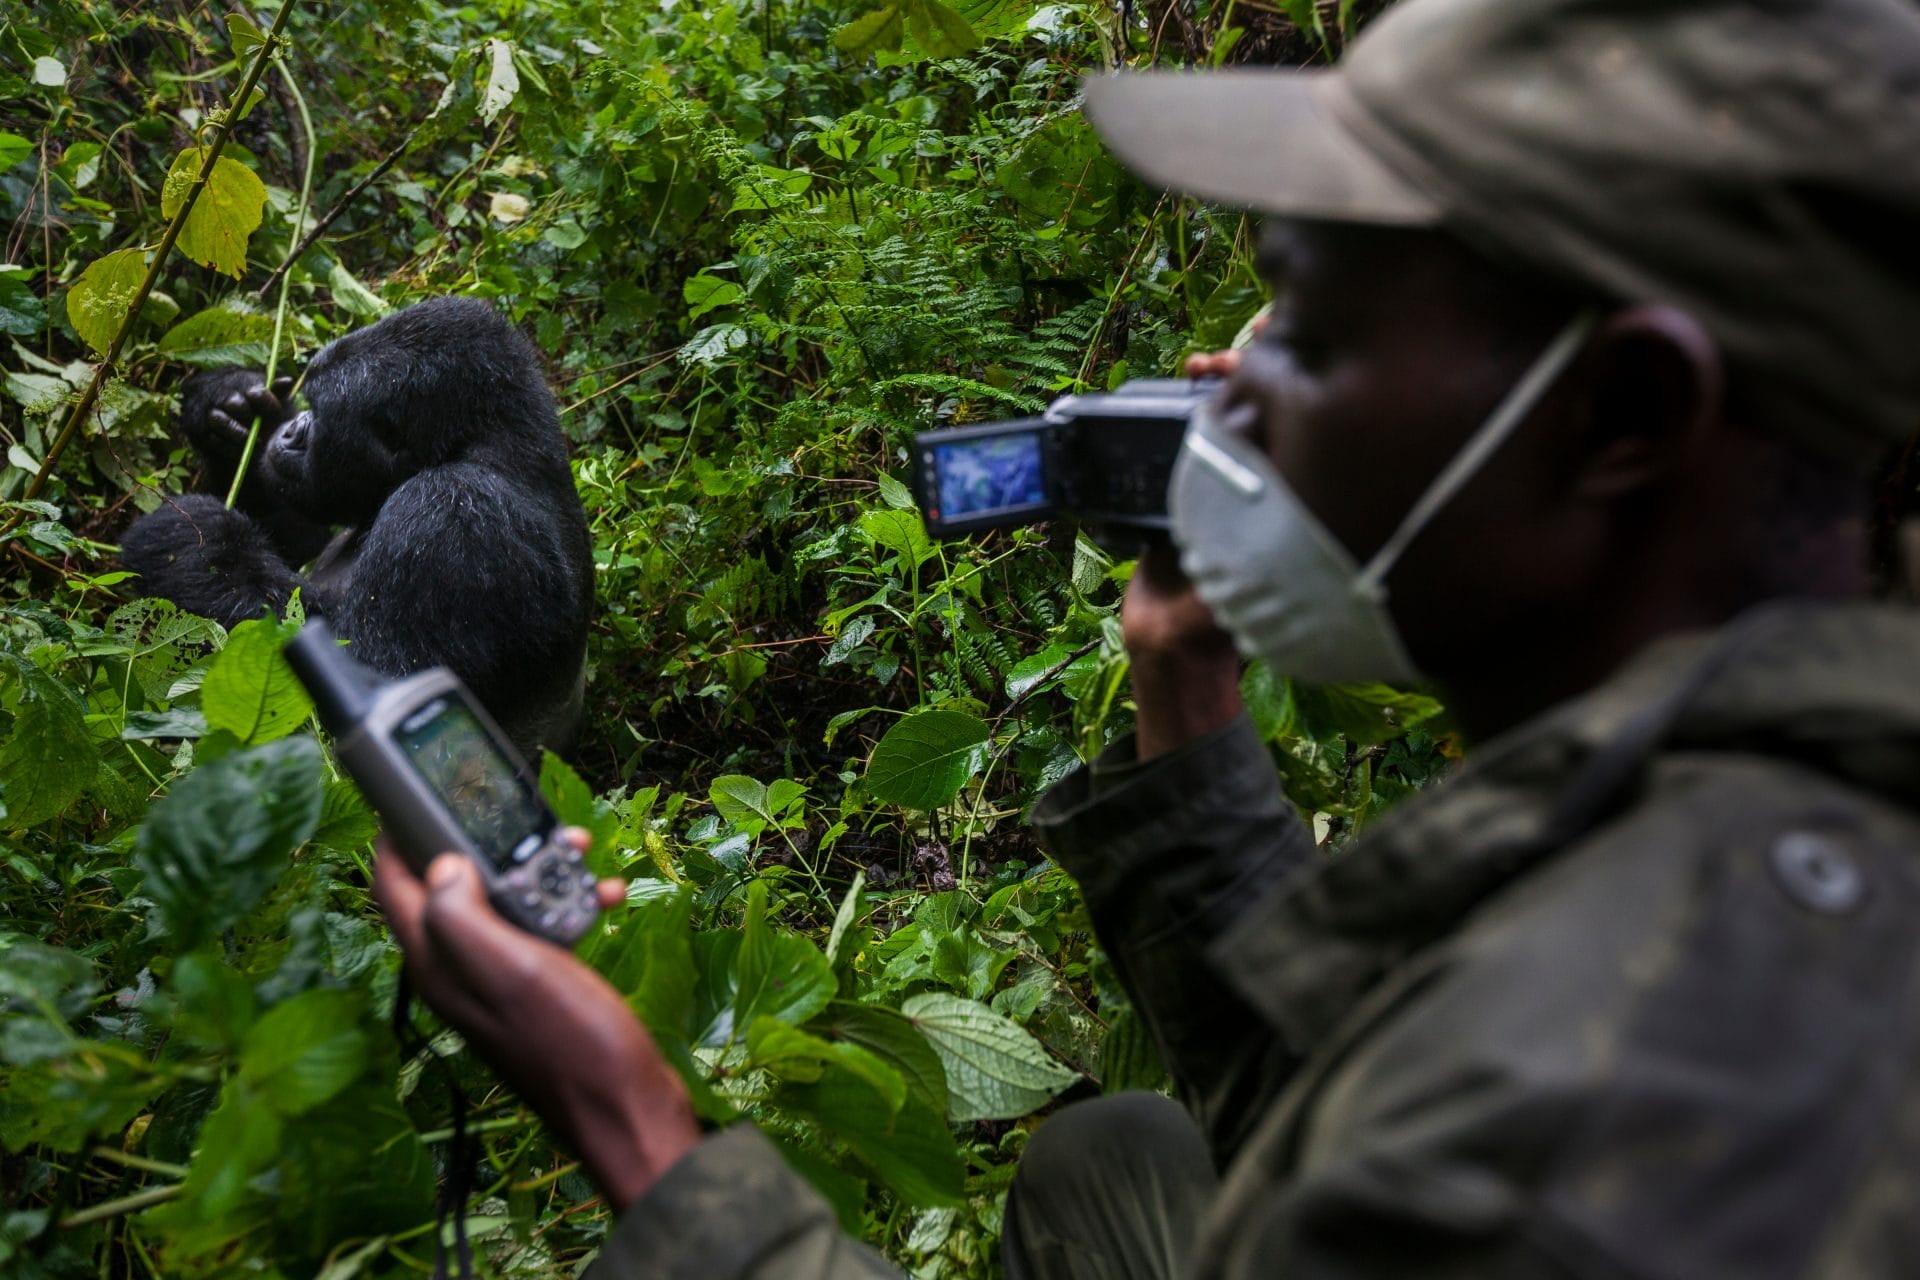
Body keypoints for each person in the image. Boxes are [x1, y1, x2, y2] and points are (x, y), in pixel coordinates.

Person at [374, 0, 1920, 1274]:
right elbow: (1358, 1106)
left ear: (1624, 417)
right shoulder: (1780, 727)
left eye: (1304, 334)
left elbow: (1480, 1141)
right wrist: (1185, 676)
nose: (1232, 392)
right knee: (1123, 1155)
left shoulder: (1627, 1099)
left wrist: (641, 1134)